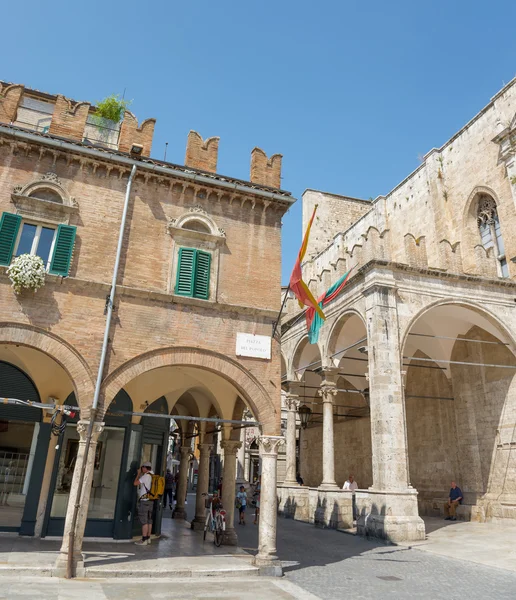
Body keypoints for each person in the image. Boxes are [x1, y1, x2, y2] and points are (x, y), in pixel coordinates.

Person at [133, 461, 154, 545]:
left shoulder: (146, 476)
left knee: (144, 521)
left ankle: (144, 539)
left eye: (142, 468)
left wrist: (138, 474)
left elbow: (135, 483)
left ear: (145, 468)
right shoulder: (153, 475)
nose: (141, 469)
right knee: (149, 520)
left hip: (144, 501)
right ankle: (148, 538)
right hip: (151, 500)